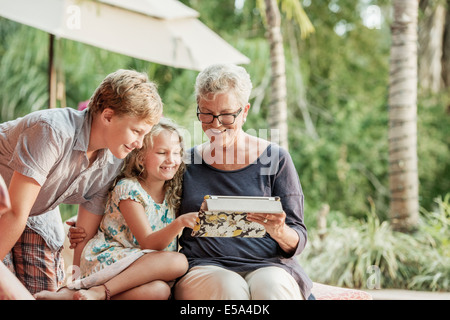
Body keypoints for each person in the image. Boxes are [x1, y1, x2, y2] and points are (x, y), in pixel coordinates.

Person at [0, 69, 162, 294]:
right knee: (8, 290)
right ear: (107, 116)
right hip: (9, 204)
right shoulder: (52, 132)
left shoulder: (113, 160)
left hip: (34, 210)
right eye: (136, 131)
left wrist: (75, 289)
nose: (139, 143)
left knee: (47, 293)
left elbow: (84, 235)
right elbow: (14, 213)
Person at [173, 63, 313, 300]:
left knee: (270, 288)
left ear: (245, 111)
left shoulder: (276, 159)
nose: (215, 125)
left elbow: (297, 238)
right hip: (203, 266)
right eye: (206, 113)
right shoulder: (183, 161)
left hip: (270, 265)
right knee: (228, 288)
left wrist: (279, 231)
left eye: (226, 115)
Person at [36, 118, 199, 300]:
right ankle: (99, 290)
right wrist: (180, 223)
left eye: (177, 153)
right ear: (140, 157)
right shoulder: (129, 189)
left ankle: (78, 296)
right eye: (162, 152)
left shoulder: (173, 192)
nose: (171, 160)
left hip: (140, 270)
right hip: (111, 260)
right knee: (178, 262)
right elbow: (149, 244)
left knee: (160, 291)